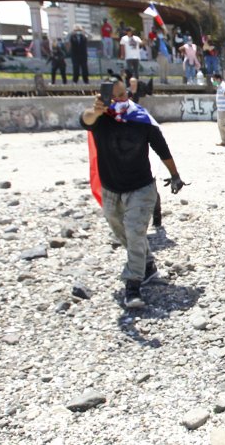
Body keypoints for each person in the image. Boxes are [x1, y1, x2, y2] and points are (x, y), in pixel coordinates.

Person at [81, 80, 184, 308]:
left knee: (135, 232)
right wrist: (95, 111)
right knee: (120, 229)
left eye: (121, 94)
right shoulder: (99, 119)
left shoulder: (140, 118)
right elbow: (85, 120)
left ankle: (133, 284)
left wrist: (175, 175)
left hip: (141, 188)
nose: (118, 99)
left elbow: (162, 148)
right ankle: (147, 265)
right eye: (113, 96)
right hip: (111, 189)